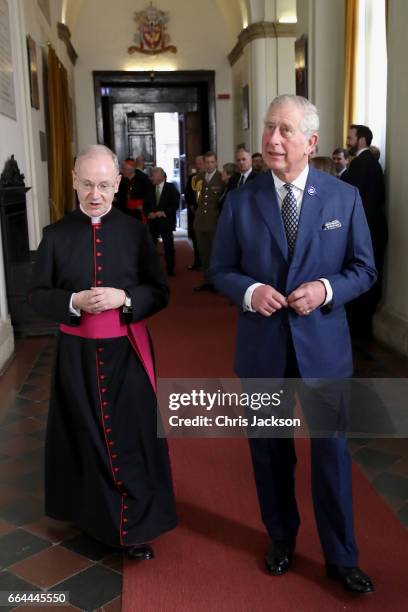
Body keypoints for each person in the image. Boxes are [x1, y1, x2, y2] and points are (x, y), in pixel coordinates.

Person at [210, 95, 377, 593]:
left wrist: (326, 289)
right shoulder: (242, 199)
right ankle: (281, 538)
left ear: (311, 142)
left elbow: (364, 269)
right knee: (270, 454)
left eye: (284, 130)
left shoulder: (343, 198)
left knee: (331, 454)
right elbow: (219, 269)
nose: (272, 140)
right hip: (263, 352)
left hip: (324, 351)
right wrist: (249, 291)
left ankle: (341, 556)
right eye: (268, 129)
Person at [29, 145, 177, 560]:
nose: (96, 194)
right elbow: (37, 295)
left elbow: (160, 292)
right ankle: (93, 518)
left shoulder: (134, 232)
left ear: (118, 184)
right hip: (76, 355)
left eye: (105, 185)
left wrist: (125, 297)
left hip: (127, 350)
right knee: (85, 434)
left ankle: (136, 523)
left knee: (129, 434)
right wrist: (73, 301)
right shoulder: (55, 236)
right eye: (88, 184)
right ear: (74, 181)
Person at [344, 124, 388, 343]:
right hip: (372, 229)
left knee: (362, 283)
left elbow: (355, 201)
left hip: (367, 231)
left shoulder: (362, 164)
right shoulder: (368, 163)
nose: (347, 142)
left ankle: (359, 334)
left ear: (361, 140)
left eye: (350, 137)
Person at [193, 151, 224, 292]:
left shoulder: (221, 178)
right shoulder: (198, 178)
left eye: (212, 162)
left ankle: (219, 282)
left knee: (216, 254)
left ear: (216, 162)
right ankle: (208, 281)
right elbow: (193, 197)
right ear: (203, 163)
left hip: (215, 222)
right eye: (207, 162)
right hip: (200, 222)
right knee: (204, 253)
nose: (210, 165)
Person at [146, 166, 180, 277]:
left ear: (161, 176)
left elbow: (175, 204)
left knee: (168, 246)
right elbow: (146, 205)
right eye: (151, 175)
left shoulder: (170, 188)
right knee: (151, 246)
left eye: (154, 175)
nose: (151, 178)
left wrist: (163, 212)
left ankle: (170, 268)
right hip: (153, 223)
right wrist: (148, 213)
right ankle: (152, 269)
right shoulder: (150, 188)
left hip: (166, 222)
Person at [184, 155, 205, 270]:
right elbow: (187, 193)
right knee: (195, 237)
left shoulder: (208, 177)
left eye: (200, 163)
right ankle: (197, 261)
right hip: (194, 212)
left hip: (206, 213)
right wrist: (191, 205)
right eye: (197, 163)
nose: (198, 166)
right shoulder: (192, 177)